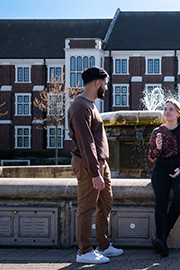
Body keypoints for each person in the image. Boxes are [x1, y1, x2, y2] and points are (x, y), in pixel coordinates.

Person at [68, 67, 124, 264]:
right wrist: (94, 173)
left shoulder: (90, 104)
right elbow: (86, 142)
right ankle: (84, 252)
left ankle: (103, 245)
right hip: (87, 164)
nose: (107, 88)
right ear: (97, 83)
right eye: (106, 84)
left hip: (101, 163)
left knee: (105, 204)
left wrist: (102, 167)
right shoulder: (80, 107)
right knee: (87, 207)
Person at [148, 99, 180, 257]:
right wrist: (158, 148)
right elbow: (151, 157)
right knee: (160, 199)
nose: (167, 112)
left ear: (178, 113)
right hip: (161, 168)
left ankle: (162, 236)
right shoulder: (157, 132)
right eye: (165, 109)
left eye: (171, 109)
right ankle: (162, 240)